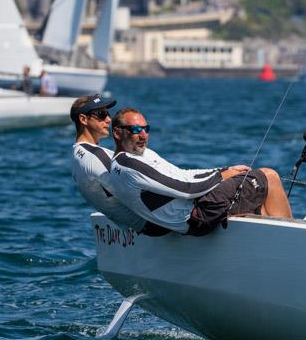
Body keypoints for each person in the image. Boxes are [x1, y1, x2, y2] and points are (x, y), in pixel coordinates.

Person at [109, 107, 292, 236]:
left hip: (190, 211)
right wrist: (222, 176)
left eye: (145, 129)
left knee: (260, 198)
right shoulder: (129, 165)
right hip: (195, 215)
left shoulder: (137, 157)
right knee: (269, 176)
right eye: (135, 130)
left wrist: (222, 170)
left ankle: (270, 236)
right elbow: (186, 188)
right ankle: (291, 242)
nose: (143, 135)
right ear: (117, 133)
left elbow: (181, 174)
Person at [70, 95, 169, 236]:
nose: (108, 119)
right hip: (155, 225)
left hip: (132, 226)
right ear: (83, 120)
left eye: (108, 114)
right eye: (101, 114)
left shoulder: (76, 154)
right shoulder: (96, 156)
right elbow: (132, 191)